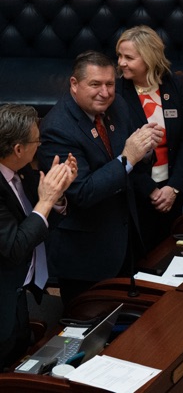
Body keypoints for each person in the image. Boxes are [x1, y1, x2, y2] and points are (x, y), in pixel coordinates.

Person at [38, 51, 164, 305]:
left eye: (110, 84)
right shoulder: (57, 129)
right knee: (86, 329)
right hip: (85, 255)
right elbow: (82, 193)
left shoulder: (116, 105)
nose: (105, 93)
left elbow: (133, 159)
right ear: (74, 84)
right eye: (95, 84)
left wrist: (146, 150)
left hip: (123, 240)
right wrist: (129, 157)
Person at [0, 104, 77, 370]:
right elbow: (15, 246)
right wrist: (46, 200)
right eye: (36, 140)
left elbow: (39, 222)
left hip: (18, 293)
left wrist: (56, 198)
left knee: (18, 352)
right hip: (4, 296)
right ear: (18, 149)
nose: (40, 145)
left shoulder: (22, 172)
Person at [116, 25, 183, 251]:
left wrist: (174, 188)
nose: (121, 63)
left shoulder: (175, 84)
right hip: (137, 192)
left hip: (172, 190)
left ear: (149, 58)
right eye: (120, 56)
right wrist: (151, 190)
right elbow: (119, 151)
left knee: (168, 251)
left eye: (129, 57)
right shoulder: (118, 93)